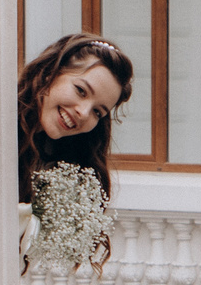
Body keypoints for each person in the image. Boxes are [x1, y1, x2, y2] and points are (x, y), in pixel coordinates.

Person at [17, 32, 134, 203]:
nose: (84, 113)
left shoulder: (73, 170)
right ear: (50, 72)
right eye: (81, 91)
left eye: (97, 112)